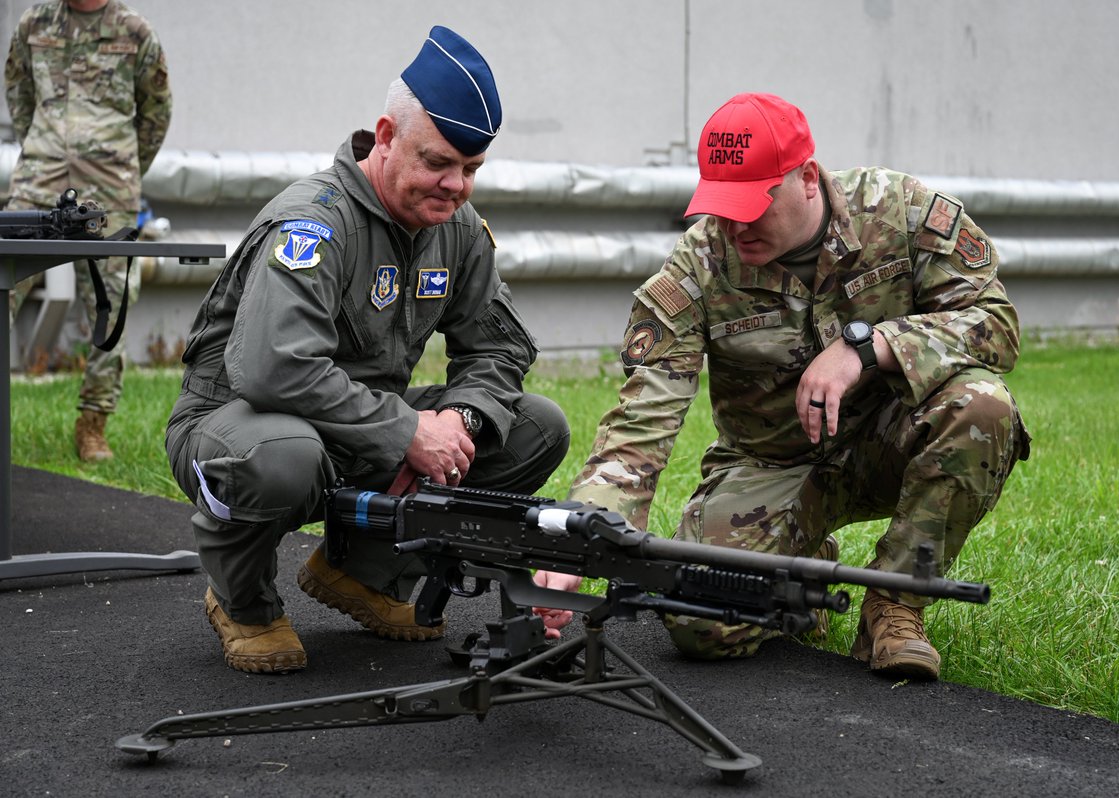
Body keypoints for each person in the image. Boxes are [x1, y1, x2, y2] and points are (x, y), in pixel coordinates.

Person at [535, 93, 1030, 680]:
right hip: (769, 463)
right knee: (700, 624)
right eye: (723, 205)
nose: (736, 225)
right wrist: (581, 537)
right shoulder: (697, 268)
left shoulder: (901, 214)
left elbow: (995, 325)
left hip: (890, 442)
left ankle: (895, 607)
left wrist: (868, 347)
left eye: (754, 203)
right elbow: (642, 423)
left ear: (808, 179)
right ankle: (800, 572)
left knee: (983, 408)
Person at [164, 26, 570, 675]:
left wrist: (457, 422)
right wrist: (408, 428)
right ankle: (242, 601)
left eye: (471, 169)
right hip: (237, 427)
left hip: (359, 428)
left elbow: (498, 351)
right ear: (384, 136)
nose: (456, 185)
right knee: (284, 459)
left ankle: (364, 573)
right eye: (438, 162)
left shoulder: (455, 229)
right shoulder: (314, 225)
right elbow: (272, 369)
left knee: (533, 428)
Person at [4, 0, 171, 462]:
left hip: (110, 184)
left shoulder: (135, 30)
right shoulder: (35, 21)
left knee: (113, 299)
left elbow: (156, 111)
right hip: (40, 177)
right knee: (5, 282)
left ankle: (93, 424)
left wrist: (122, 167)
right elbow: (17, 89)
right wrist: (43, 145)